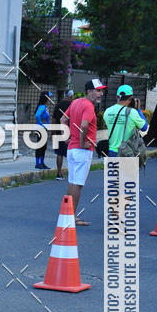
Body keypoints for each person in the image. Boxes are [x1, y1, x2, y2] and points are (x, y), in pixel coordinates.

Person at [60, 78, 105, 225]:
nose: (101, 94)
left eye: (101, 91)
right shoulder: (88, 106)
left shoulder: (75, 102)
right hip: (82, 149)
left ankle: (67, 214)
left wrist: (66, 137)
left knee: (72, 183)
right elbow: (84, 126)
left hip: (72, 149)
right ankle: (72, 216)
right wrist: (81, 142)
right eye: (98, 91)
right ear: (89, 91)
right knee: (78, 184)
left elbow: (62, 119)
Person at [103, 84, 147, 155]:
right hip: (126, 152)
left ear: (117, 97)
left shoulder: (107, 111)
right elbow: (144, 128)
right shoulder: (132, 112)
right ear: (130, 98)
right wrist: (138, 110)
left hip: (111, 152)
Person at [53, 89, 73, 180]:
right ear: (71, 96)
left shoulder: (58, 105)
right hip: (69, 132)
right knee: (70, 154)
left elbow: (53, 120)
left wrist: (53, 132)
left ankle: (59, 173)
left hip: (58, 131)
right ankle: (71, 174)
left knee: (59, 153)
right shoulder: (72, 105)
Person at [34, 92, 53, 169]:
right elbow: (37, 115)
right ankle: (38, 163)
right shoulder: (42, 107)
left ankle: (42, 163)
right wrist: (41, 124)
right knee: (40, 146)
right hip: (41, 129)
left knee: (43, 147)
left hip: (43, 129)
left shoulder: (44, 106)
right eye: (49, 97)